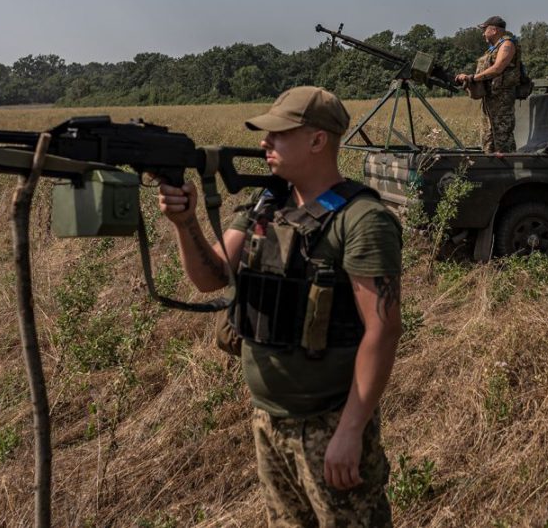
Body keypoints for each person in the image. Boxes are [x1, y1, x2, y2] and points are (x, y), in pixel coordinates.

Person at [156, 86, 403, 527]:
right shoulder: (264, 205)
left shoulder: (362, 219)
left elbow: (381, 331)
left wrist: (350, 431)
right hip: (268, 419)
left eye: (278, 134)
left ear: (317, 140)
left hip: (329, 422)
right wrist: (185, 221)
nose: (264, 143)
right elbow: (211, 276)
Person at [456, 15, 521, 153]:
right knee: (488, 136)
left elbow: (498, 68)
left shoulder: (507, 45)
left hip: (502, 99)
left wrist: (473, 78)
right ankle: (491, 167)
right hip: (491, 98)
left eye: (485, 29)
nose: (483, 33)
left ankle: (508, 169)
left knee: (502, 136)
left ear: (494, 30)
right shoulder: (494, 48)